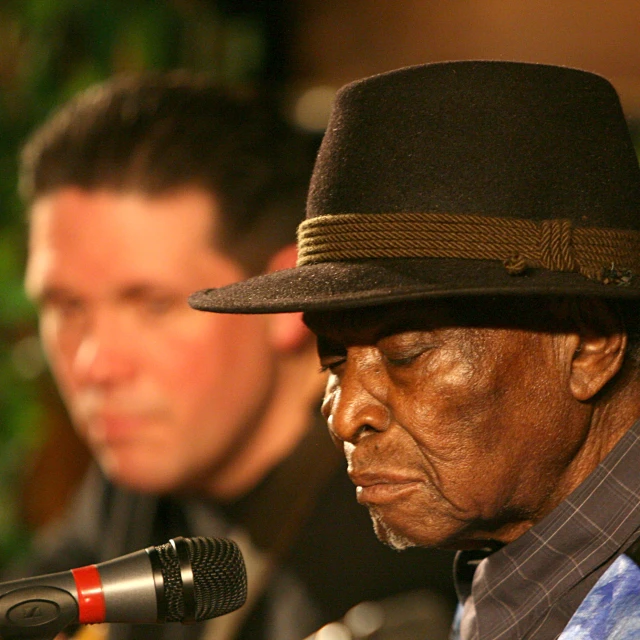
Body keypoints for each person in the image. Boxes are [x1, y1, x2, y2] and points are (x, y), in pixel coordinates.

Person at [188, 60, 640, 640]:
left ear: (589, 345)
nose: (347, 415)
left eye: (406, 353)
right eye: (331, 360)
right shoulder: (527, 573)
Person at [16, 73, 458, 640]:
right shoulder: (140, 467)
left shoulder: (412, 537)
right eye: (66, 307)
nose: (94, 366)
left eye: (153, 305)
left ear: (281, 301)